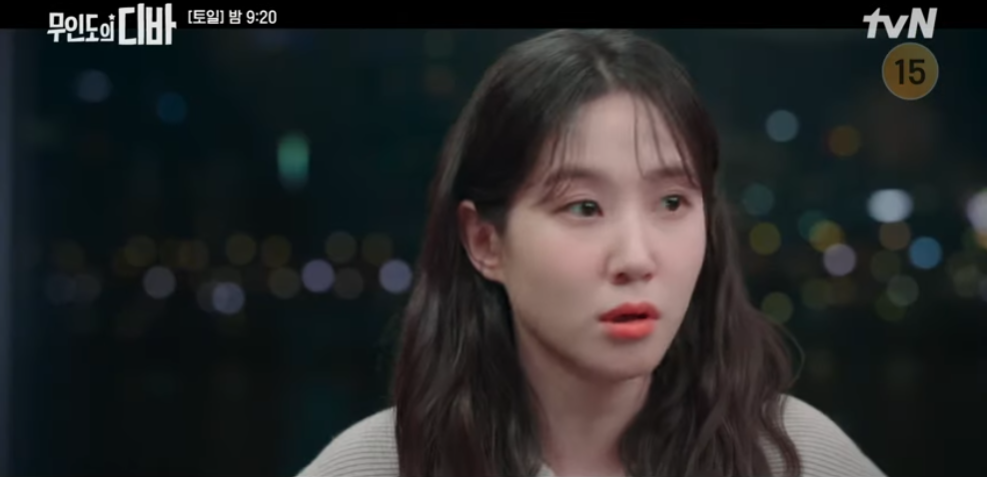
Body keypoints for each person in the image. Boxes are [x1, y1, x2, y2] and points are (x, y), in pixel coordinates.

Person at [298, 29, 886, 477]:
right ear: (484, 241)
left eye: (672, 202)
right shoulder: (378, 467)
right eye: (583, 207)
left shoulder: (793, 457)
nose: (636, 257)